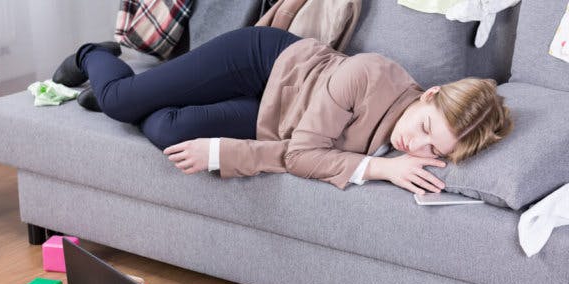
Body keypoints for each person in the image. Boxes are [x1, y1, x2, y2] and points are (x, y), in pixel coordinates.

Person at [53, 26, 513, 195]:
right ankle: (93, 56)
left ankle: (143, 91)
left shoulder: (400, 140)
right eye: (424, 128)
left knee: (171, 132)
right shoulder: (370, 74)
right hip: (260, 65)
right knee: (119, 104)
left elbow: (295, 150)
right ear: (429, 94)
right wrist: (379, 170)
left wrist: (224, 153)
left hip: (270, 119)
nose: (415, 146)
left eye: (434, 148)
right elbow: (300, 156)